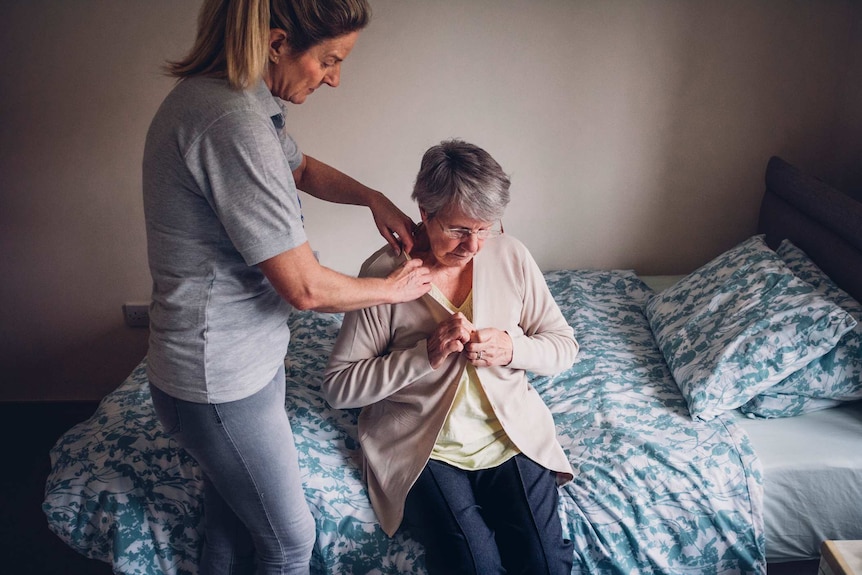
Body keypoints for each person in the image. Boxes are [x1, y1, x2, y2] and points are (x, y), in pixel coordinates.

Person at [141, 1, 432, 574]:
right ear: (277, 43)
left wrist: (371, 197)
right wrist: (394, 290)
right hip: (219, 374)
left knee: (231, 519)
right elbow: (303, 287)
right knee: (289, 543)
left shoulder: (243, 101)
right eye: (329, 60)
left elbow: (295, 168)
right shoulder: (229, 120)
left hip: (230, 358)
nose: (334, 78)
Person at [322, 139, 578, 575]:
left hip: (510, 436)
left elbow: (563, 346)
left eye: (486, 228)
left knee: (546, 562)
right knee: (475, 565)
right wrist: (425, 355)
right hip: (424, 445)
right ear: (425, 211)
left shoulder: (511, 255)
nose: (474, 245)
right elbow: (339, 387)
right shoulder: (386, 275)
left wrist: (512, 348)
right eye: (459, 230)